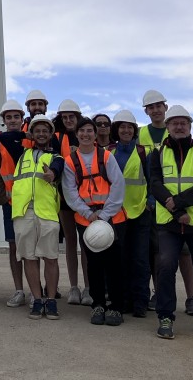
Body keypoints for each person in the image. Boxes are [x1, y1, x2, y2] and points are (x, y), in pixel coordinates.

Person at [149, 104, 193, 339]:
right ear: (167, 126)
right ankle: (166, 317)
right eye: (174, 123)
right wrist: (177, 213)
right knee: (166, 267)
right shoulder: (157, 154)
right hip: (169, 224)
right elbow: (155, 185)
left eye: (183, 123)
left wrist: (177, 202)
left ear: (190, 126)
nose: (179, 126)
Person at [62, 117, 127, 326]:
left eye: (89, 130)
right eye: (82, 131)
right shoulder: (70, 161)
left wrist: (105, 214)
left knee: (115, 265)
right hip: (86, 219)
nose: (86, 134)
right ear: (77, 134)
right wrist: (88, 213)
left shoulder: (106, 156)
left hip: (111, 218)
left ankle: (116, 307)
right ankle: (98, 305)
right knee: (94, 264)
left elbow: (118, 185)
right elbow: (70, 192)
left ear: (94, 133)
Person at [139, 89, 193, 314]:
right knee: (158, 251)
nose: (155, 110)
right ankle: (159, 292)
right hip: (153, 201)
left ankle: (191, 297)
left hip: (180, 201)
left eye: (158, 106)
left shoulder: (177, 129)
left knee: (185, 253)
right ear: (146, 111)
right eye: (150, 107)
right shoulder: (140, 134)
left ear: (165, 107)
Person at [11, 115, 63, 320]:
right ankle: (37, 299)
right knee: (29, 258)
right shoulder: (22, 154)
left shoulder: (56, 157)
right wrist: (24, 132)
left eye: (45, 131)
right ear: (31, 134)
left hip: (47, 211)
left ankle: (51, 300)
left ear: (51, 134)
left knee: (50, 257)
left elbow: (58, 168)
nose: (41, 134)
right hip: (23, 212)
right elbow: (6, 137)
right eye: (37, 131)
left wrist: (52, 174)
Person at [111, 109, 151, 317]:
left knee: (140, 259)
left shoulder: (144, 153)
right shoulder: (109, 152)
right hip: (117, 213)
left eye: (129, 127)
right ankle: (123, 300)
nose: (125, 130)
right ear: (116, 130)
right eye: (122, 127)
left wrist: (150, 202)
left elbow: (151, 180)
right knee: (120, 258)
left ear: (134, 130)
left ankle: (140, 302)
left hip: (140, 213)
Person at [0, 99, 28, 307]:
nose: (13, 120)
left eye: (16, 117)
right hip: (10, 203)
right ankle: (19, 290)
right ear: (3, 120)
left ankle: (36, 289)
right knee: (14, 247)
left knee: (31, 248)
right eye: (9, 117)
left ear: (22, 119)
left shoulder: (30, 139)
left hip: (32, 203)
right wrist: (2, 197)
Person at [53, 99, 89, 306]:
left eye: (71, 117)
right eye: (64, 117)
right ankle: (74, 287)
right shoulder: (56, 137)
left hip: (84, 198)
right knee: (70, 241)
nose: (68, 120)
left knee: (86, 243)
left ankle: (88, 287)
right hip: (64, 197)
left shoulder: (86, 135)